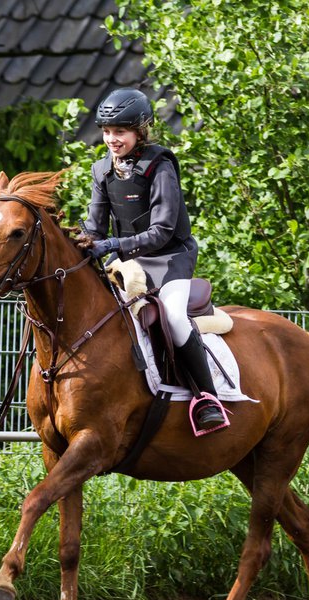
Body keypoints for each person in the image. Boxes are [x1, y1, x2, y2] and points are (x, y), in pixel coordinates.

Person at [75, 88, 229, 435]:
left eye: (120, 132)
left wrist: (114, 243)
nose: (112, 139)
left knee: (173, 317)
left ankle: (207, 397)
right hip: (130, 264)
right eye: (107, 132)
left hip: (170, 258)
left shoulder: (160, 166)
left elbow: (162, 231)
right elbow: (95, 227)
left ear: (140, 131)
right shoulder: (102, 171)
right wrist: (79, 240)